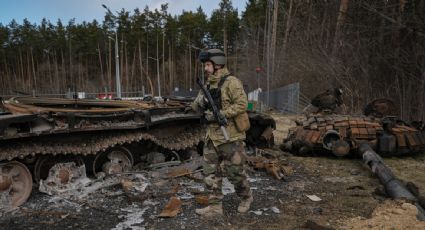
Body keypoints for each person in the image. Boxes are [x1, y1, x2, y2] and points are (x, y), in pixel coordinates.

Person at [191, 48, 252, 217]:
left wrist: (221, 114)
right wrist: (201, 102)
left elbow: (242, 104)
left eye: (208, 65)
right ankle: (215, 206)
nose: (205, 68)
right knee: (210, 175)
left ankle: (246, 197)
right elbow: (194, 106)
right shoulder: (207, 85)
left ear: (218, 65)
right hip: (212, 137)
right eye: (205, 65)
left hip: (230, 137)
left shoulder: (231, 82)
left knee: (236, 174)